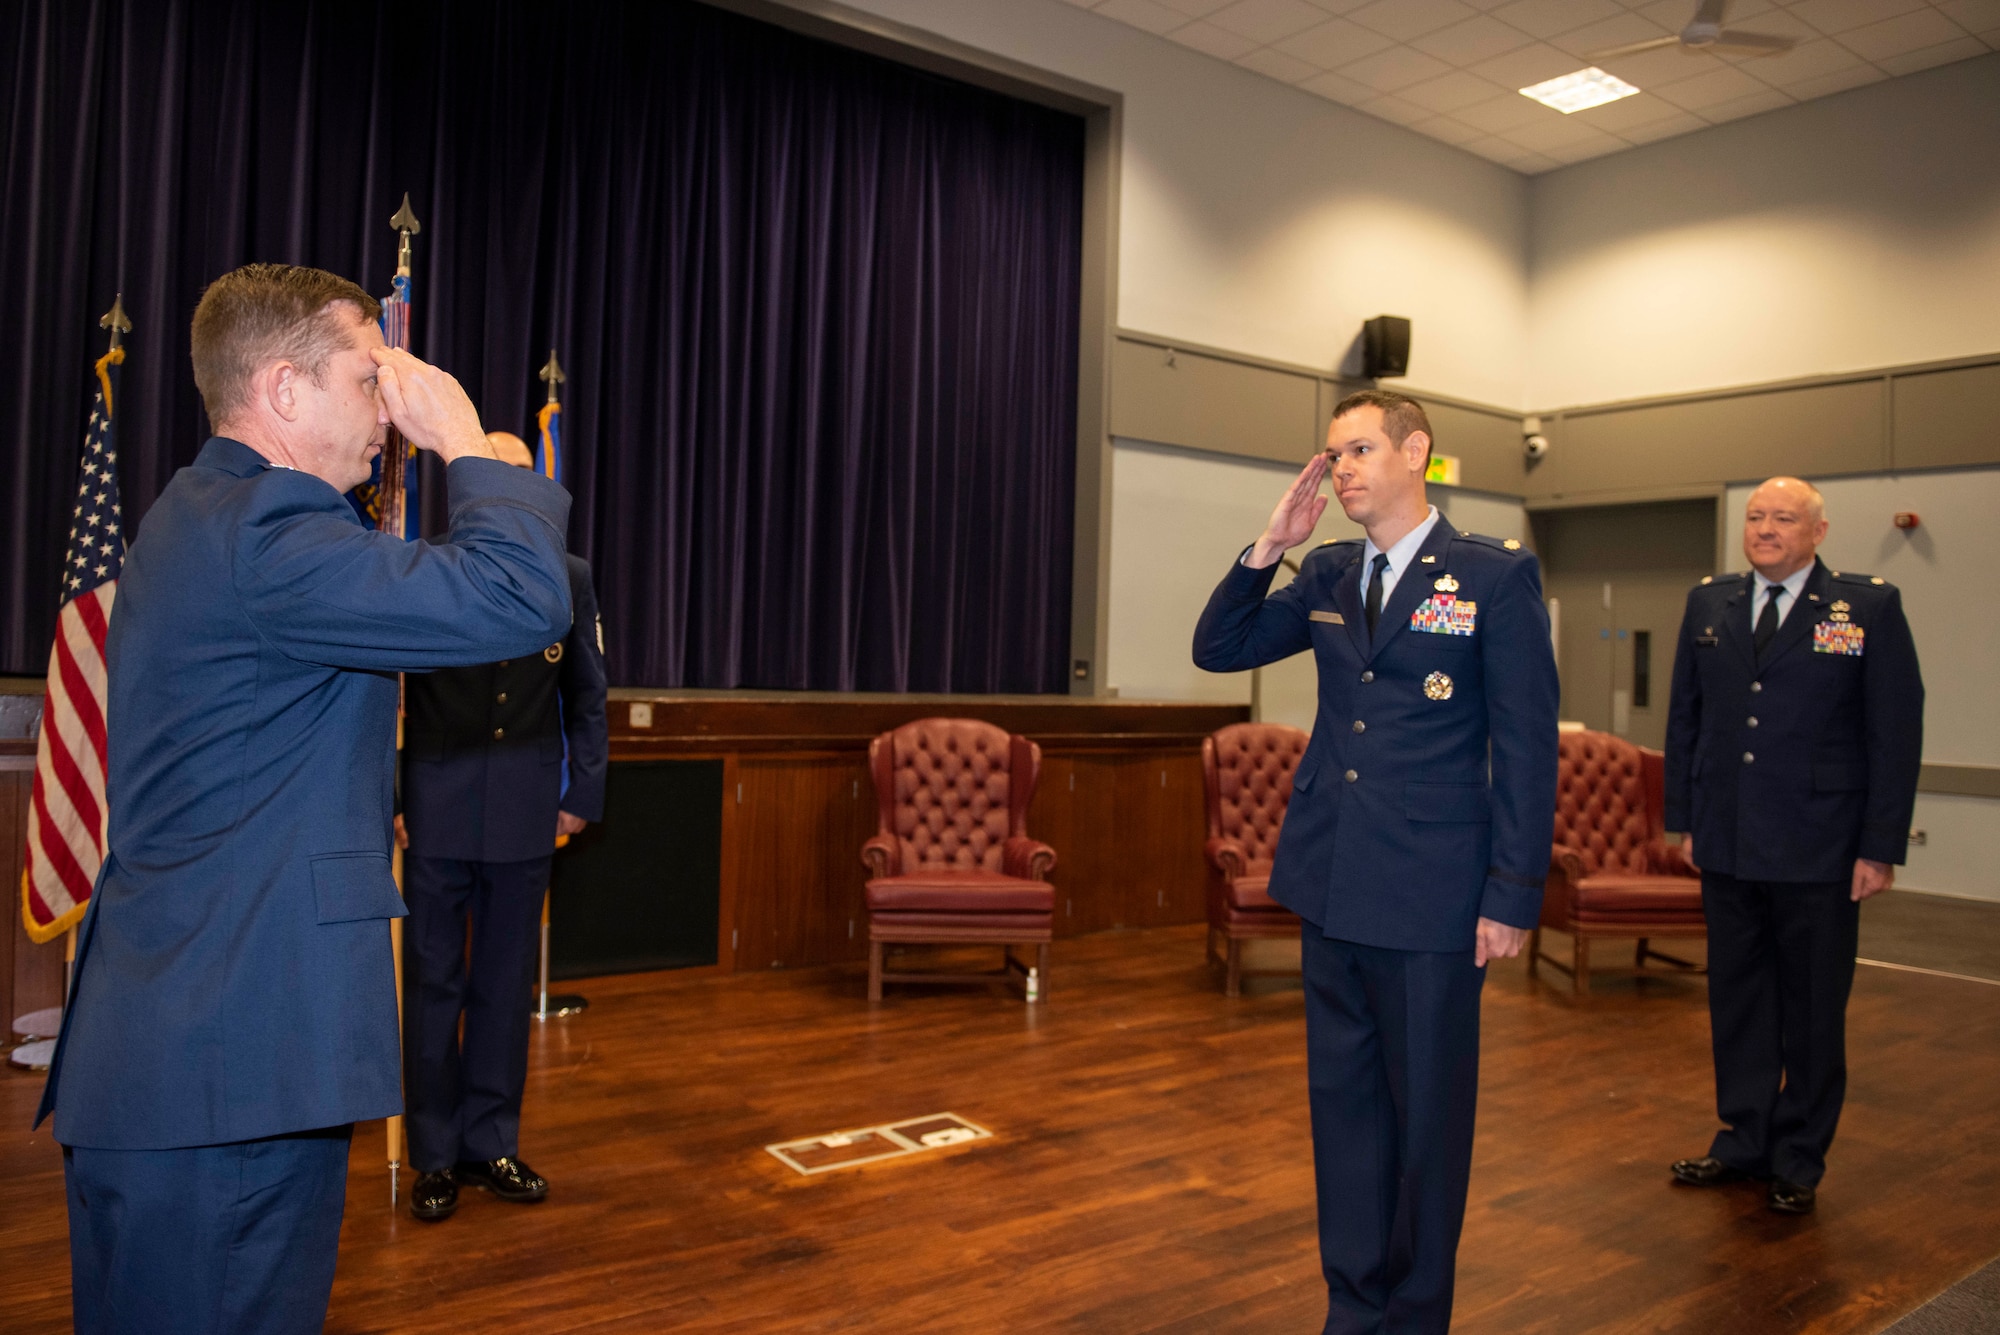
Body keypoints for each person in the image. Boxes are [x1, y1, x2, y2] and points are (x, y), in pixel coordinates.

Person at [36, 263, 575, 1335]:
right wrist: (466, 439)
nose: (389, 408)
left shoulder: (206, 512)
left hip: (191, 1052)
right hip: (230, 1064)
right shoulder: (275, 535)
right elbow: (517, 595)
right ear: (284, 391)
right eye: (368, 376)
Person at [1192, 390, 1558, 1335]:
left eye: (1359, 449)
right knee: (1346, 1117)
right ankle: (1352, 1305)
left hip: (1435, 897)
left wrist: (1514, 892)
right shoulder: (1326, 571)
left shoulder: (1489, 575)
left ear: (1417, 452)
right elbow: (1218, 646)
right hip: (1332, 881)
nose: (1342, 468)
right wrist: (1271, 542)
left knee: (1426, 1127)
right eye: (1332, 453)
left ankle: (1414, 1314)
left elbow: (1525, 744)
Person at [1663, 476, 1923, 1215]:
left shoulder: (1865, 606)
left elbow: (1894, 731)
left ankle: (1800, 1153)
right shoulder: (1709, 601)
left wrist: (1880, 845)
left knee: (1811, 1006)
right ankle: (1743, 1137)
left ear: (1818, 531)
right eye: (1755, 516)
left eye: (1784, 517)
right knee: (1737, 997)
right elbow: (1686, 715)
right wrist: (1685, 820)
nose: (1766, 528)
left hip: (1821, 845)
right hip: (1729, 837)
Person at [396, 430, 608, 1222]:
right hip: (439, 806)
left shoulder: (569, 576)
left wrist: (579, 793)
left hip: (526, 806)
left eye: (521, 475)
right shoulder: (429, 563)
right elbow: (389, 700)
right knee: (432, 984)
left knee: (502, 984)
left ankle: (492, 1142)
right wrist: (391, 794)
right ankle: (435, 1155)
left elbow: (587, 693)